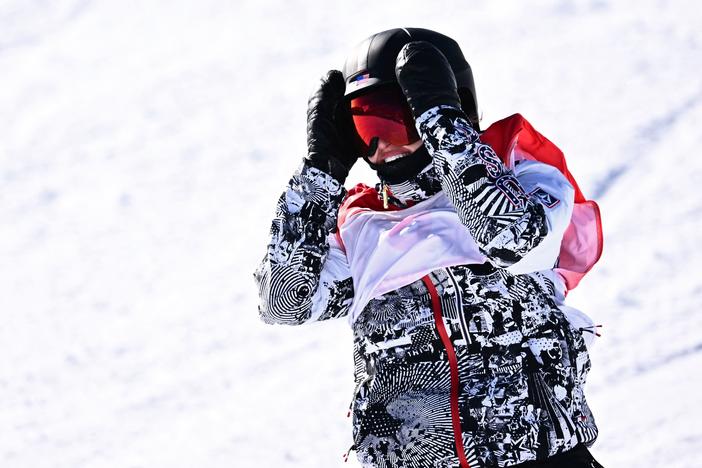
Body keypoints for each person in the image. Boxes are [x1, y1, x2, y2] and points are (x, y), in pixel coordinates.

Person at [254, 28, 604, 468]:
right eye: (366, 130)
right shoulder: (364, 226)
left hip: (538, 457)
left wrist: (445, 130)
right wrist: (319, 174)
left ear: (447, 105)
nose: (382, 149)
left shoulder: (523, 174)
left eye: (396, 119)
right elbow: (284, 303)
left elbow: (515, 241)